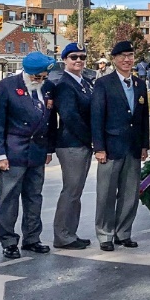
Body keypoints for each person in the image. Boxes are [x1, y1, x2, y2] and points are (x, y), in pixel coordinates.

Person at [0, 52, 56, 259]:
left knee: (34, 196)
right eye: (39, 76)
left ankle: (32, 237)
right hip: (14, 150)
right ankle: (9, 241)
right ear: (30, 73)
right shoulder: (7, 86)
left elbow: (50, 120)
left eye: (45, 76)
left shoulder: (47, 88)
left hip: (37, 150)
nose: (42, 80)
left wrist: (48, 149)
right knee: (8, 198)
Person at [91, 40, 149, 251]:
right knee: (106, 194)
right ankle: (105, 234)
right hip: (111, 147)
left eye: (130, 56)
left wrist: (144, 145)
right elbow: (97, 117)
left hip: (132, 147)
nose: (127, 60)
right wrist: (99, 148)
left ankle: (123, 232)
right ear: (114, 59)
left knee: (129, 193)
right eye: (123, 56)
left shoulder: (139, 84)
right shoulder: (103, 84)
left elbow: (142, 119)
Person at [51, 42, 94, 250]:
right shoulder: (64, 85)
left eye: (82, 57)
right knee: (71, 190)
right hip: (71, 144)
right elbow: (70, 117)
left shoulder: (85, 82)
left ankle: (71, 233)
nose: (78, 60)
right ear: (65, 60)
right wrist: (91, 139)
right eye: (73, 57)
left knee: (76, 191)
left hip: (82, 144)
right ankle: (62, 235)